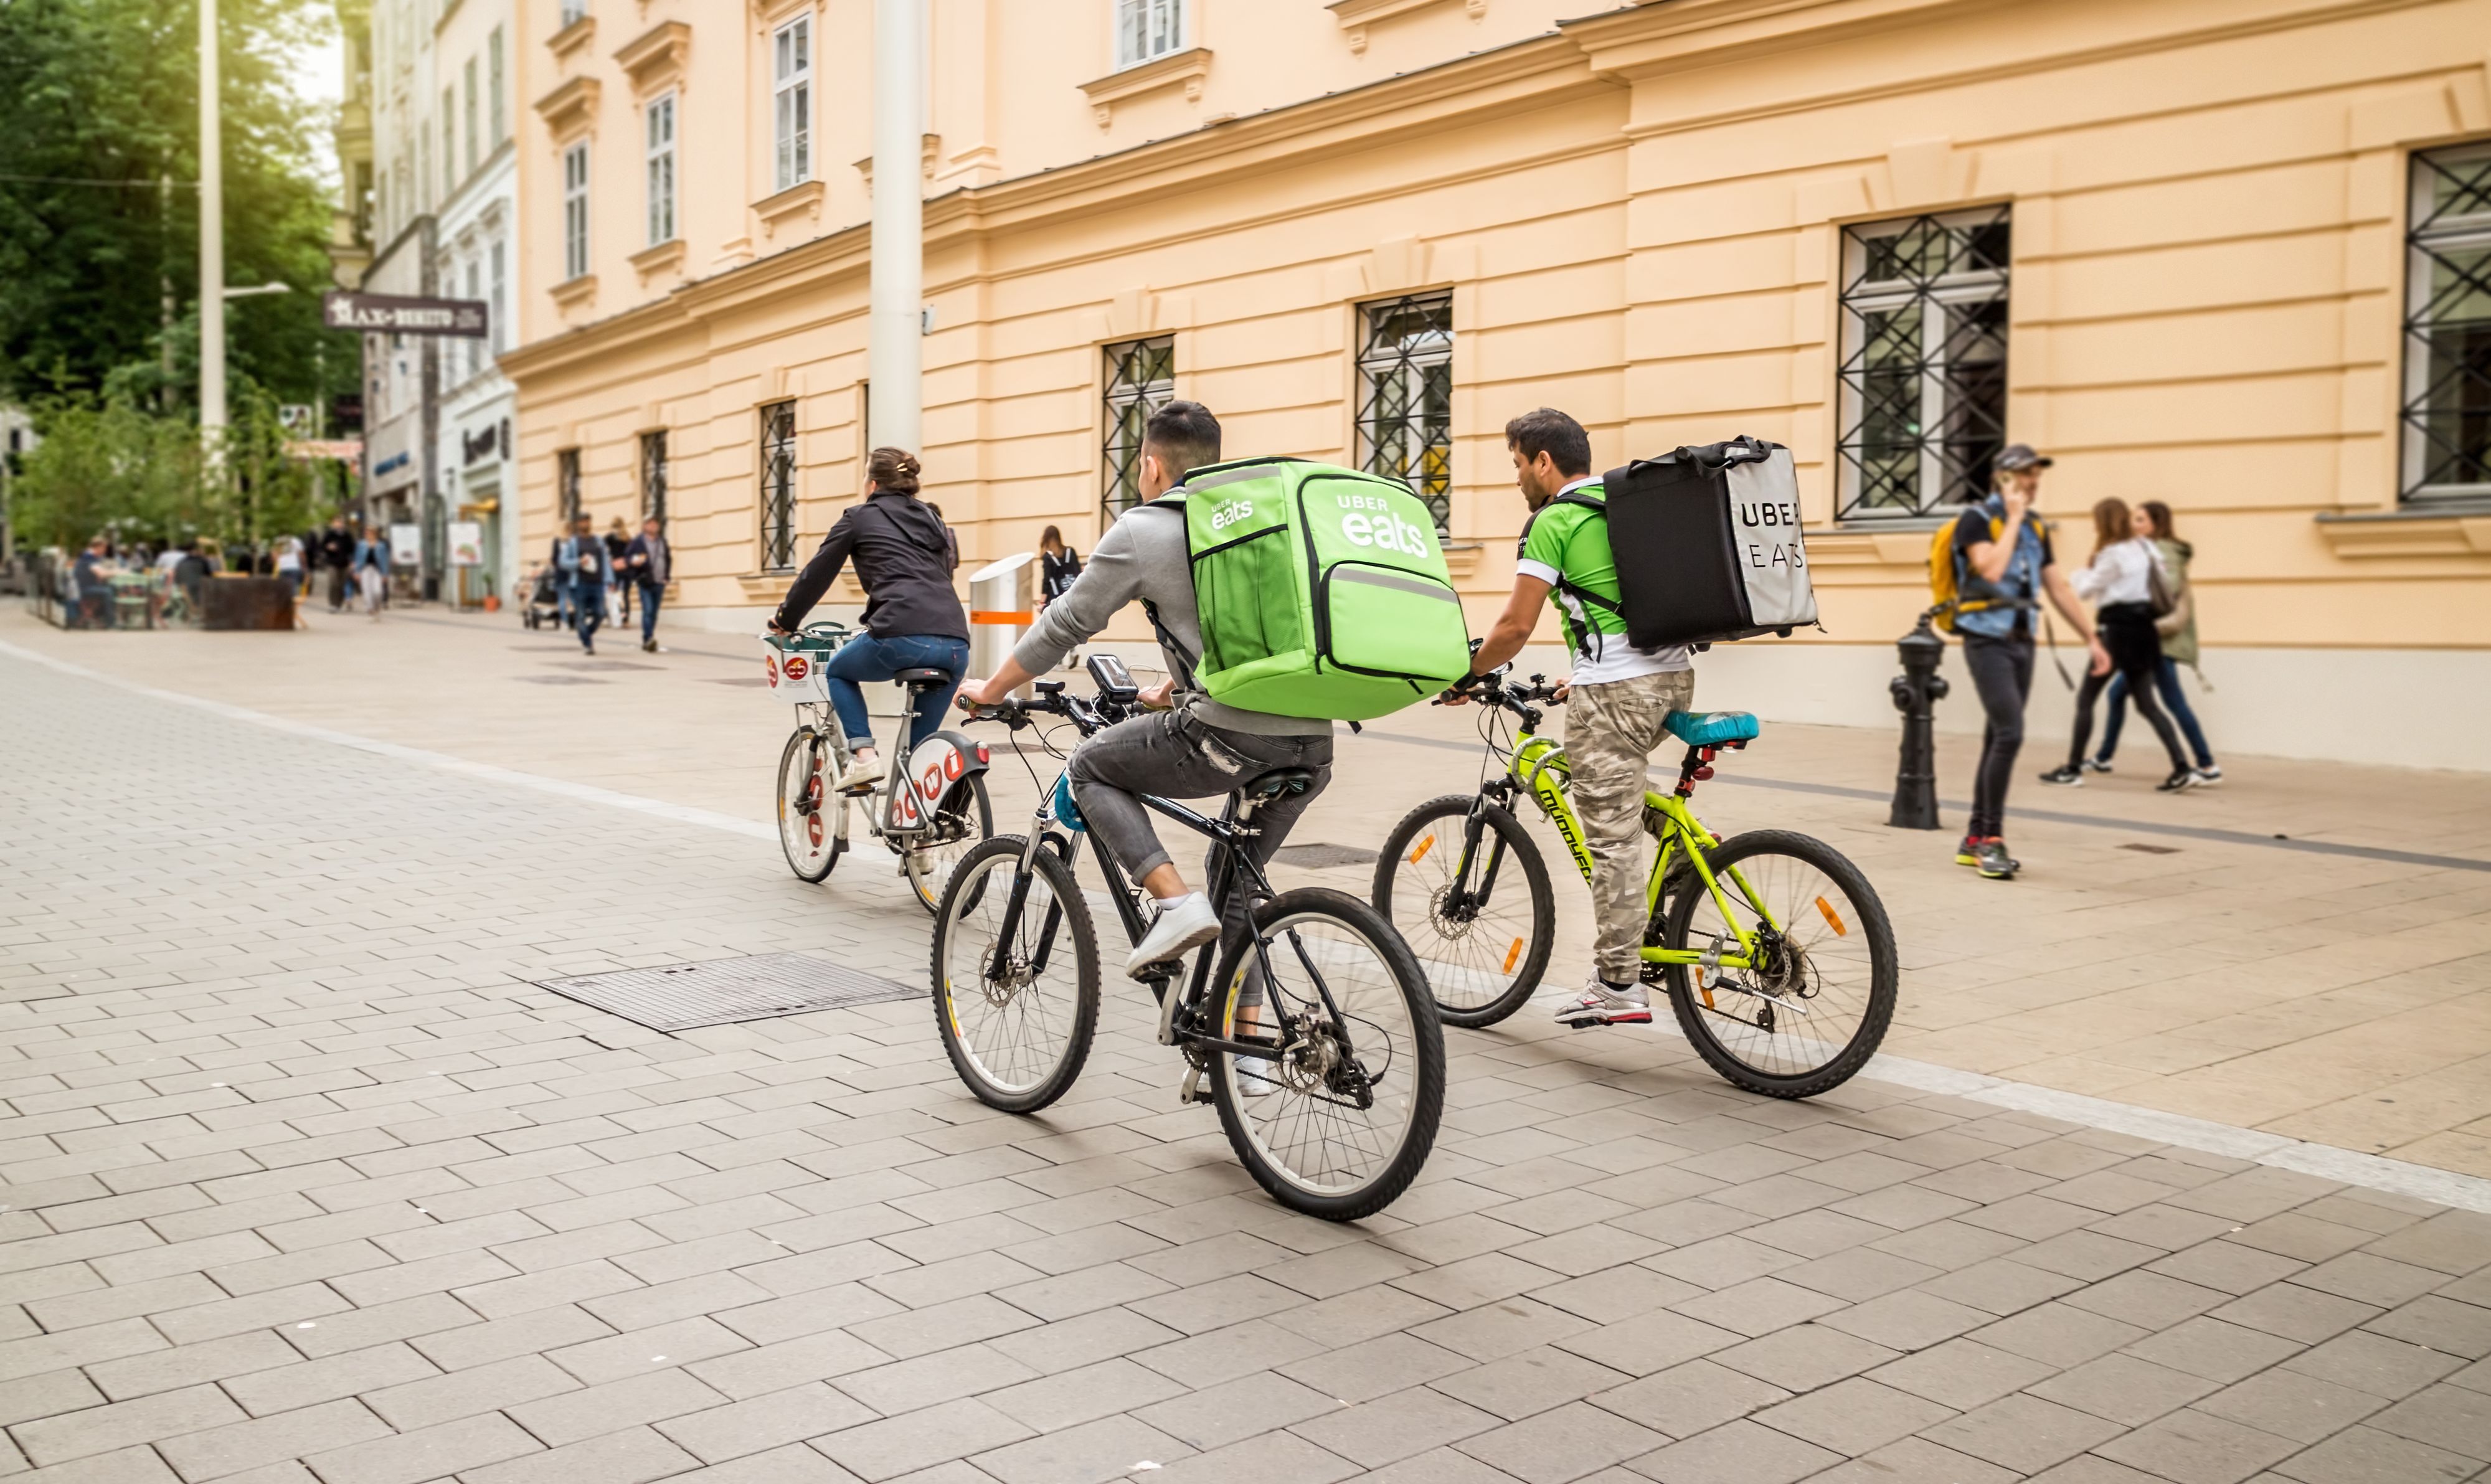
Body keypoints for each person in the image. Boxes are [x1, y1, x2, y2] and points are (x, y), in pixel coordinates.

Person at [957, 402, 1335, 978]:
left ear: (1152, 465)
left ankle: (1175, 903)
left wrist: (993, 687)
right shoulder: (1255, 525)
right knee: (1238, 892)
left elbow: (1065, 623)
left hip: (1231, 735)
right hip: (1313, 738)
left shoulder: (1145, 528)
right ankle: (1251, 1055)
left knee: (1088, 766)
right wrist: (1183, 688)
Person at [1454, 408, 1695, 1027]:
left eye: (1516, 465)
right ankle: (1689, 862)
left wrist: (1471, 672)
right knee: (1606, 785)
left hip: (1616, 693)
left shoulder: (1555, 521)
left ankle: (1618, 984)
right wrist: (1577, 676)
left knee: (1610, 839)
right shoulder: (1623, 507)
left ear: (1542, 460)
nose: (1516, 480)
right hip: (1670, 681)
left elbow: (1513, 627)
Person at [1949, 445, 2110, 879]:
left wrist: (2092, 638)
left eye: (2037, 477)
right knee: (2010, 732)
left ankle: (1974, 837)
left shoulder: (2038, 527)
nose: (2034, 483)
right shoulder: (1977, 520)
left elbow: (2057, 588)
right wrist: (2015, 518)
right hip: (1986, 639)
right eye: (2026, 476)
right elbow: (1992, 569)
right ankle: (1991, 840)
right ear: (2003, 478)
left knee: (1996, 735)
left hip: (2023, 640)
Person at [768, 448, 969, 792]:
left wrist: (786, 618)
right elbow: (940, 572)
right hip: (955, 643)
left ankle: (864, 755)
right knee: (918, 754)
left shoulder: (859, 517)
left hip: (900, 635)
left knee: (838, 670)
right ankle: (919, 838)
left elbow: (818, 574)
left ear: (872, 483)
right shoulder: (932, 519)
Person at [2040, 498, 2203, 793]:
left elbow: (2086, 590)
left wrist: (2077, 574)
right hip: (2145, 630)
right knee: (2147, 704)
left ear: (2103, 523)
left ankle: (2073, 769)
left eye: (2095, 520)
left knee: (2086, 699)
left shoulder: (2113, 554)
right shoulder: (2146, 547)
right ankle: (2183, 767)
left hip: (2117, 630)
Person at [2088, 499, 2219, 783]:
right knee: (2118, 695)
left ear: (2155, 524)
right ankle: (2103, 758)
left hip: (2160, 640)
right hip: (2149, 638)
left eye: (2139, 520)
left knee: (2173, 701)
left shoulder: (2165, 551)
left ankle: (2207, 765)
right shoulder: (2147, 550)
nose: (2133, 525)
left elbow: (2162, 592)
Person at [557, 514, 609, 655]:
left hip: (597, 584)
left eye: (587, 521)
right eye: (582, 521)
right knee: (580, 616)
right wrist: (579, 562)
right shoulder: (573, 543)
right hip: (580, 585)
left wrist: (610, 580)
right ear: (578, 524)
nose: (585, 524)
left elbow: (605, 561)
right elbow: (562, 562)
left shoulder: (598, 541)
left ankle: (586, 634)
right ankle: (588, 644)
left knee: (601, 613)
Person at [623, 516, 670, 653]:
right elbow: (628, 558)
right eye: (650, 523)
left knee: (654, 613)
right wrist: (633, 561)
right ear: (645, 526)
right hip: (645, 581)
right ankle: (648, 638)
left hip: (660, 581)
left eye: (655, 523)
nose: (654, 526)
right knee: (648, 610)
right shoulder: (638, 542)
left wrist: (667, 576)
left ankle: (649, 637)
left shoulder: (662, 541)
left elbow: (668, 559)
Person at [1038, 525, 1082, 610]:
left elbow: (1047, 580)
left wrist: (1042, 602)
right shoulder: (1071, 551)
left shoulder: (1048, 557)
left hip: (1056, 601)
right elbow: (1078, 572)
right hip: (1073, 599)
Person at [319, 517, 356, 612]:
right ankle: (332, 604)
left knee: (341, 585)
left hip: (344, 563)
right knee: (333, 583)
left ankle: (338, 604)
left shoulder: (347, 535)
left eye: (341, 522)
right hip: (332, 562)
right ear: (333, 524)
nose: (339, 524)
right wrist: (328, 547)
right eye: (337, 522)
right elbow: (322, 546)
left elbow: (352, 549)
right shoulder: (329, 535)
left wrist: (352, 562)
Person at [354, 527, 390, 618]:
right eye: (366, 533)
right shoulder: (361, 545)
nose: (367, 535)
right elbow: (358, 558)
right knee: (367, 590)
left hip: (377, 570)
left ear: (374, 534)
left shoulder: (381, 546)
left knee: (378, 591)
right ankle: (370, 608)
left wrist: (385, 574)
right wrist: (357, 572)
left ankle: (377, 607)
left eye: (369, 533)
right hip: (365, 570)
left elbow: (385, 560)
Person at [605, 517, 635, 625]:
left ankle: (616, 617)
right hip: (627, 570)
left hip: (615, 570)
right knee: (626, 596)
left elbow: (602, 548)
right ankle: (626, 619)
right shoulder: (628, 537)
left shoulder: (610, 537)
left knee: (614, 594)